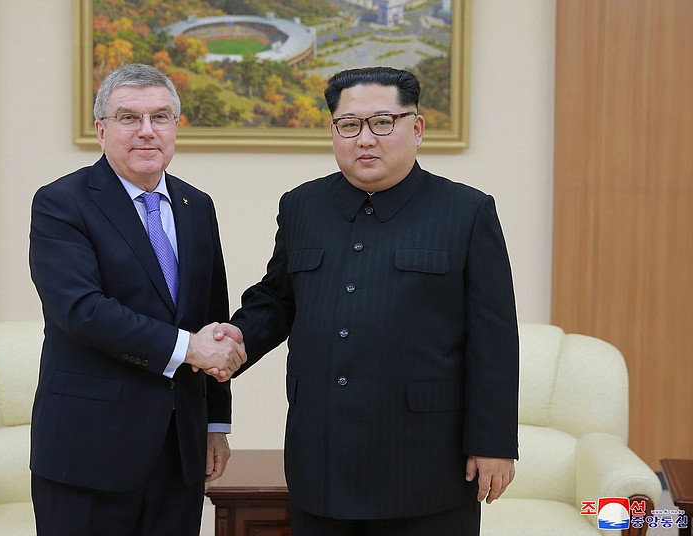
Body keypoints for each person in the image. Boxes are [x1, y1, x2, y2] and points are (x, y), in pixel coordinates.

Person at [220, 67, 519, 535]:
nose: (365, 139)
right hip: (321, 457)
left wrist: (494, 443)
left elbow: (494, 339)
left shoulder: (466, 211)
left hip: (426, 464)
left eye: (383, 122)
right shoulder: (302, 206)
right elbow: (277, 300)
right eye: (349, 124)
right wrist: (234, 340)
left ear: (416, 128)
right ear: (334, 130)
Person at [28, 63, 245, 536]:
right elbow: (82, 311)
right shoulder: (61, 203)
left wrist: (215, 425)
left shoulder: (196, 205)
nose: (147, 132)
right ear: (102, 130)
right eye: (129, 118)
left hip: (179, 451)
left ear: (175, 127)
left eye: (160, 117)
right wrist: (189, 348)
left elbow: (212, 318)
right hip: (88, 453)